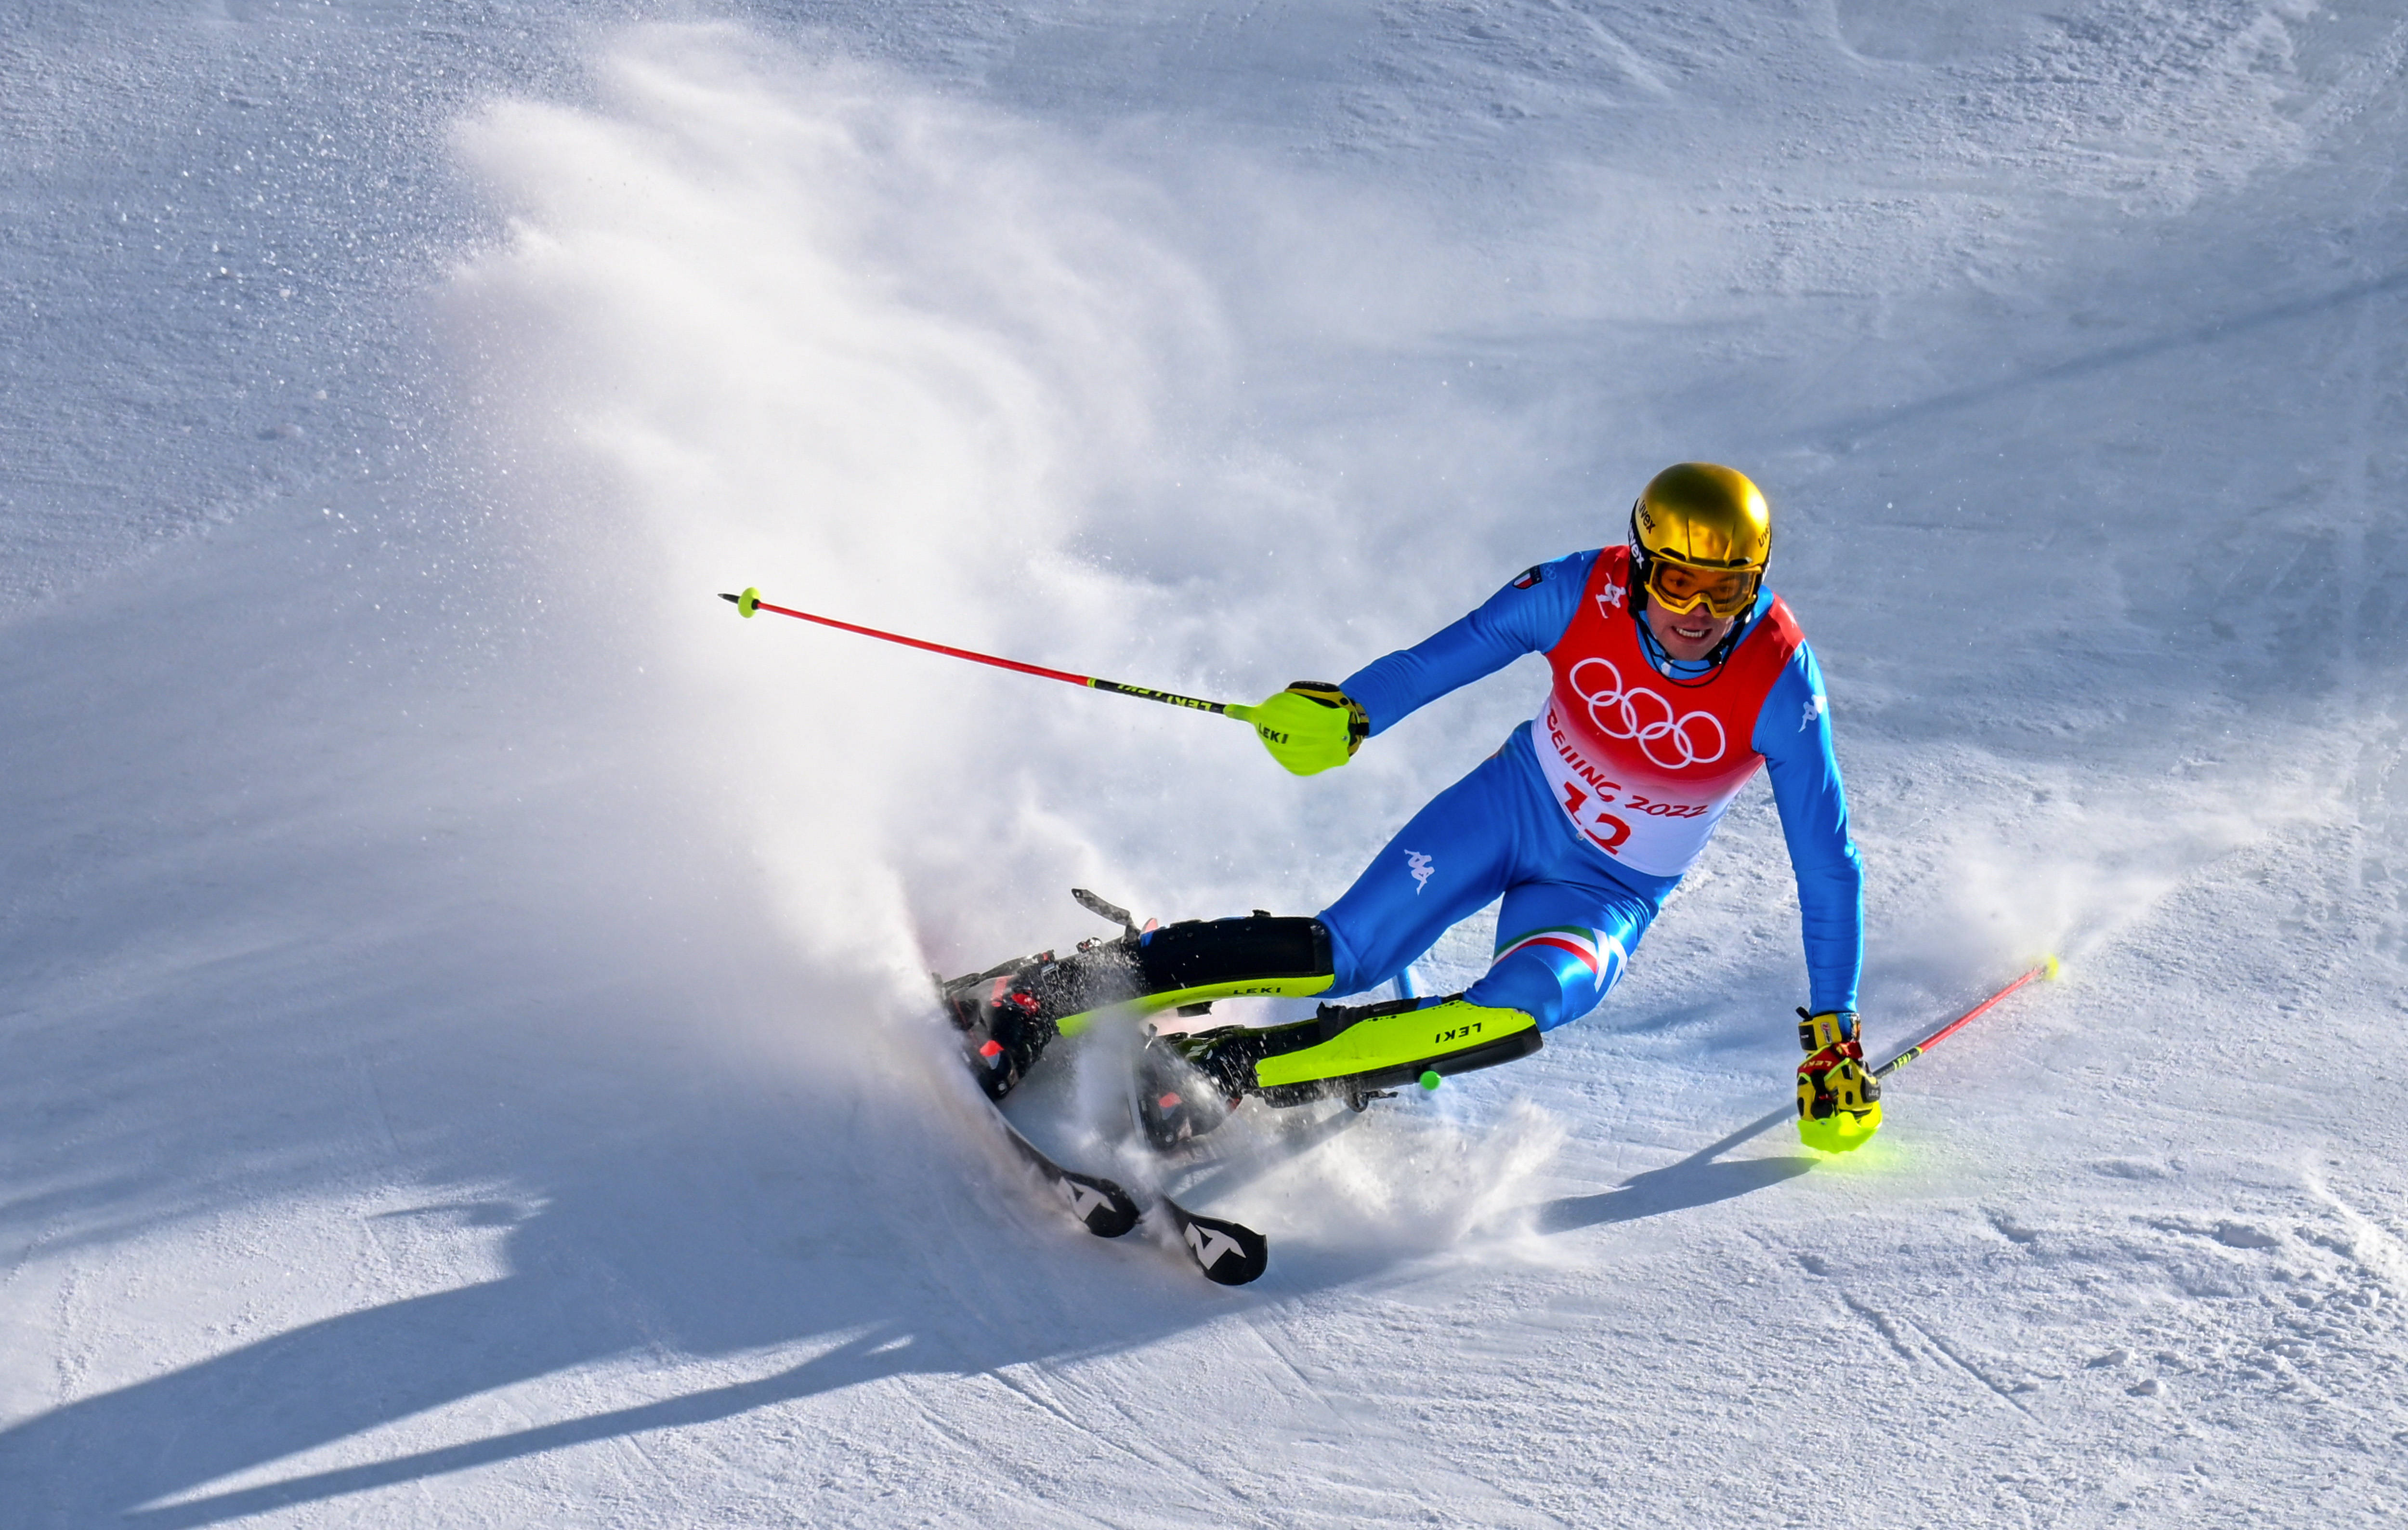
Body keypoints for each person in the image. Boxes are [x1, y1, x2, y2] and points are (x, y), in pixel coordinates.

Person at [943, 463, 1877, 1154]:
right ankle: (1048, 995)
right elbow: (1454, 652)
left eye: (1727, 590)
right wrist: (1349, 713)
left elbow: (1825, 860)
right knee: (1347, 953)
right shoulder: (1574, 592)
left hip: (1606, 893)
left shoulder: (1777, 682)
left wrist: (1831, 1031)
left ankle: (1232, 1070)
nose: (1698, 613)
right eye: (1677, 581)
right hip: (1511, 807)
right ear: (1639, 566)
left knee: (1521, 1009)